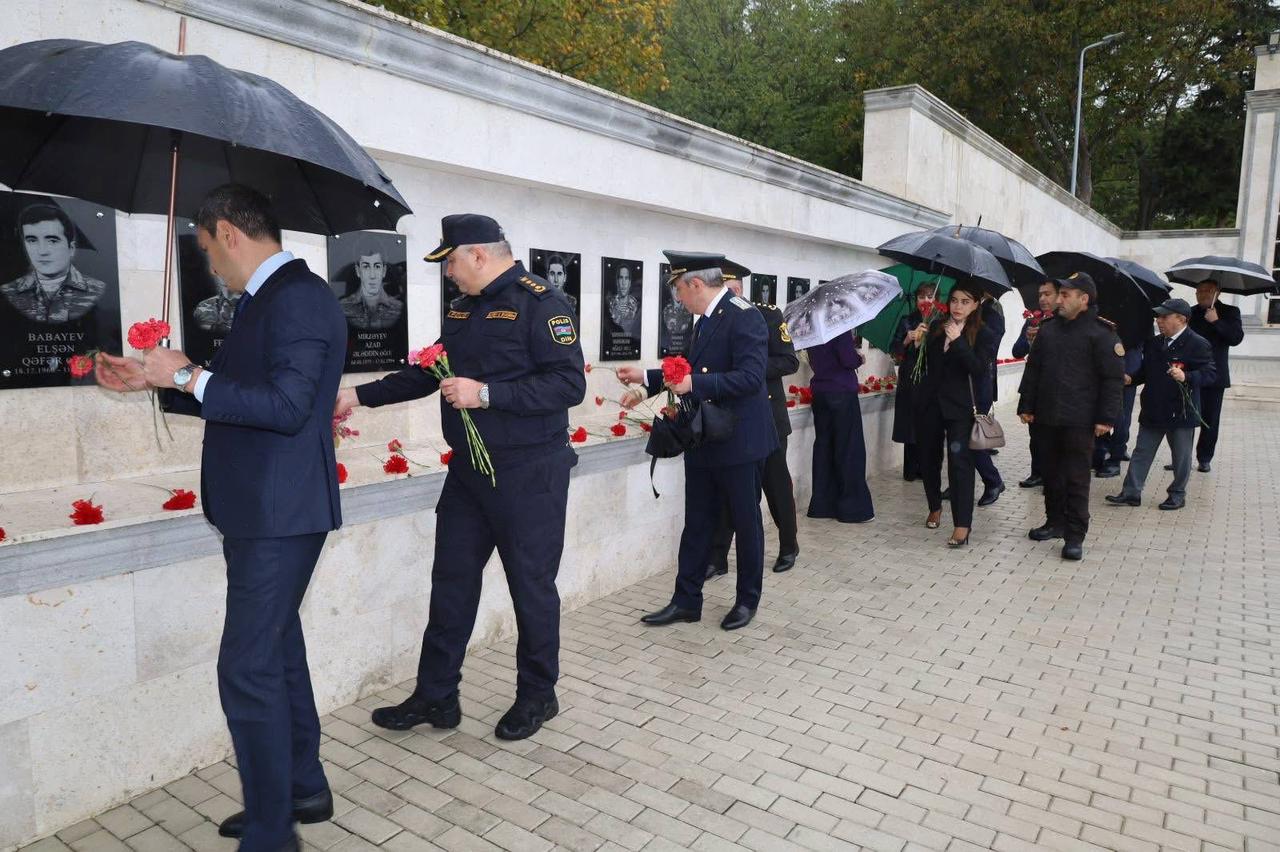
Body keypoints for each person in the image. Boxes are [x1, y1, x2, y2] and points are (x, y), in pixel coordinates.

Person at [95, 184, 347, 852]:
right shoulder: (268, 299)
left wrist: (186, 376)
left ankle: (271, 835)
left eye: (208, 250)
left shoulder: (296, 298)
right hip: (261, 510)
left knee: (246, 669)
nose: (210, 265)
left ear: (229, 233)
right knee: (276, 651)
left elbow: (287, 407)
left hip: (279, 513)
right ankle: (300, 788)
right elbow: (246, 395)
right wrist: (157, 382)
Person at [336, 214, 585, 741]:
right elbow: (431, 371)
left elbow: (568, 385)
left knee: (531, 589)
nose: (448, 273)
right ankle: (437, 696)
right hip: (470, 474)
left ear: (478, 254)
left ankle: (539, 694)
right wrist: (355, 395)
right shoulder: (463, 307)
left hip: (529, 474)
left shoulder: (542, 303)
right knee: (450, 584)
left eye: (450, 261)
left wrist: (487, 394)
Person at [618, 251, 776, 632]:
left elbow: (750, 377)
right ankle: (686, 600)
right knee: (697, 521)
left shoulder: (745, 316)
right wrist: (646, 381)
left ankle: (747, 600)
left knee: (745, 522)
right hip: (705, 437)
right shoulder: (704, 320)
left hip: (739, 440)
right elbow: (687, 368)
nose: (678, 297)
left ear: (696, 284)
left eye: (678, 289)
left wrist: (694, 384)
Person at [1017, 273, 1124, 560]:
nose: (1059, 299)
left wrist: (1106, 419)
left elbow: (1112, 380)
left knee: (1076, 478)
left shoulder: (1102, 333)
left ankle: (1075, 535)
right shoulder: (1048, 329)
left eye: (1065, 295)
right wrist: (1026, 405)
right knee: (1050, 473)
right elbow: (1034, 370)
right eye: (1059, 294)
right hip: (1047, 416)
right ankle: (1054, 522)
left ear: (1083, 299)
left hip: (1080, 419)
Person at [707, 261, 800, 576]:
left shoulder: (767, 315)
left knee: (776, 486)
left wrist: (749, 369)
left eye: (734, 290)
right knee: (728, 490)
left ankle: (788, 545)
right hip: (729, 418)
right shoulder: (712, 320)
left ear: (742, 289)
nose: (730, 296)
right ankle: (718, 557)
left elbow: (789, 362)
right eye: (725, 291)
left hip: (768, 417)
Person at [1106, 298, 1216, 511]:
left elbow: (1210, 374)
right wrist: (1130, 378)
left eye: (1164, 317)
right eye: (1158, 316)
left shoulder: (1198, 343)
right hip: (1154, 407)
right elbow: (1146, 371)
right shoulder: (1154, 343)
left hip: (1181, 411)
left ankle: (1177, 494)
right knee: (1141, 452)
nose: (1159, 320)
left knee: (1181, 457)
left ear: (1181, 319)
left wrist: (1187, 376)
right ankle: (1131, 492)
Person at [911, 282, 998, 547]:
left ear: (976, 305)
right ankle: (934, 506)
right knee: (928, 459)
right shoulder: (937, 326)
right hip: (931, 404)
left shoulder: (984, 333)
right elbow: (927, 366)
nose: (958, 306)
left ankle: (962, 524)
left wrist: (959, 341)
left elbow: (978, 369)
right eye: (954, 300)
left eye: (965, 301)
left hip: (961, 408)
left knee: (960, 464)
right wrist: (918, 344)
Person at [806, 330, 875, 524]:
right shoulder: (837, 326)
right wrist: (859, 359)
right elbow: (847, 358)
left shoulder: (814, 327)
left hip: (820, 392)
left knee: (824, 447)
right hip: (841, 392)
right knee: (849, 449)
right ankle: (853, 508)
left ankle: (822, 505)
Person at [1, 202, 106, 324]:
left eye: (52, 241)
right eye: (32, 240)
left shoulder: (97, 290)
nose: (42, 251)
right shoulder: (8, 292)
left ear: (71, 248)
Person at [1189, 279, 1243, 472]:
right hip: (1189, 374)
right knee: (1185, 417)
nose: (1202, 294)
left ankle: (1204, 458)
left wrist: (1216, 321)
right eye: (1199, 291)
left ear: (1217, 292)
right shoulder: (1190, 312)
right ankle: (1181, 456)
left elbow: (1236, 338)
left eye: (1207, 290)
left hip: (1214, 375)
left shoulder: (1230, 312)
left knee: (1210, 419)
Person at [1011, 279, 1058, 488]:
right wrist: (1029, 340)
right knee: (1035, 435)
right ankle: (1037, 472)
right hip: (1035, 387)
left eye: (1048, 294)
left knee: (1053, 436)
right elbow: (1017, 351)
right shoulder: (1033, 321)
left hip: (1055, 388)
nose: (1043, 299)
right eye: (1040, 295)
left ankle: (1052, 476)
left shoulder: (1062, 323)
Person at [891, 281, 939, 482]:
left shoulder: (940, 321)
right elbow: (895, 350)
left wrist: (927, 340)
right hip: (910, 377)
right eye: (921, 297)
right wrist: (908, 339)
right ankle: (910, 469)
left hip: (931, 377)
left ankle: (926, 467)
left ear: (936, 300)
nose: (925, 300)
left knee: (928, 423)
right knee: (910, 422)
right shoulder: (907, 320)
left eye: (929, 296)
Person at [338, 247, 403, 330]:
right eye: (366, 267)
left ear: (384, 271)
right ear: (358, 271)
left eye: (377, 267)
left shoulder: (399, 308)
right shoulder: (342, 307)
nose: (372, 275)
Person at [607, 264, 640, 336]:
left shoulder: (635, 305)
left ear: (630, 282)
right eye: (621, 278)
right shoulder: (611, 304)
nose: (623, 283)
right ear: (617, 281)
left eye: (626, 278)